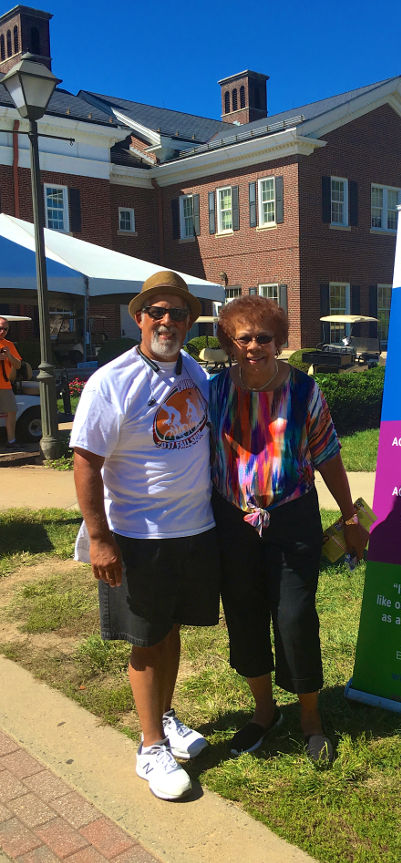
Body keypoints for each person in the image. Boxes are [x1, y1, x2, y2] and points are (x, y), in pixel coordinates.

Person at [70, 271, 221, 801]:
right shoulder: (112, 380)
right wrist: (100, 538)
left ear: (189, 322)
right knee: (145, 639)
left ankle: (167, 716)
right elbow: (86, 462)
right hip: (138, 535)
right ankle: (150, 745)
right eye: (156, 311)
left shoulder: (196, 375)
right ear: (139, 318)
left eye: (177, 313)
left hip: (193, 529)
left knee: (171, 628)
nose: (166, 321)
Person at [209, 295, 369, 764]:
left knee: (295, 616)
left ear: (279, 342)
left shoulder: (303, 391)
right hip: (231, 521)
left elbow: (327, 455)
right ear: (229, 343)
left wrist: (351, 515)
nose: (255, 345)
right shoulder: (215, 391)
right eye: (244, 338)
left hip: (293, 518)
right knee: (243, 614)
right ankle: (264, 713)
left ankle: (310, 718)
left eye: (264, 337)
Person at [0, 317, 23, 449]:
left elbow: (18, 365)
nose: (2, 331)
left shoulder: (9, 345)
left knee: (12, 411)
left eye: (5, 329)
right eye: (0, 328)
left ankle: (11, 441)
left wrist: (9, 355)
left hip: (5, 385)